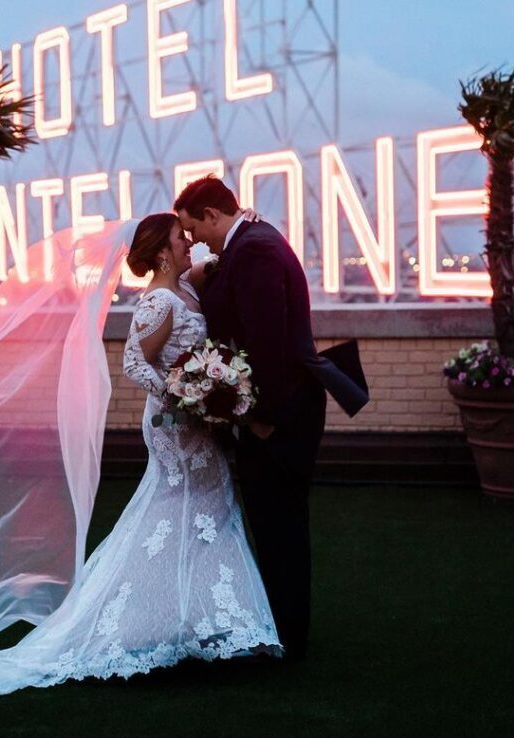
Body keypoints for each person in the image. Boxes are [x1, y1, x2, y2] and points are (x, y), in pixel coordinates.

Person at [0, 212, 282, 705]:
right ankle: (159, 621)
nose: (188, 242)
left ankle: (211, 619)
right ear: (163, 251)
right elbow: (132, 361)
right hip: (173, 426)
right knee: (177, 514)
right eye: (179, 237)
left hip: (197, 426)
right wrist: (180, 393)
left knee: (207, 512)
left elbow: (212, 263)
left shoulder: (186, 287)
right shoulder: (160, 301)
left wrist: (242, 224)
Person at [176, 175, 369, 660]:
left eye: (193, 227)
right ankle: (283, 626)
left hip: (281, 412)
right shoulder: (251, 241)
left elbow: (268, 346)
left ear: (214, 215)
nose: (194, 239)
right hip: (276, 407)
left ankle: (288, 634)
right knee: (275, 521)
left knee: (279, 523)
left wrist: (260, 419)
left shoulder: (256, 249)